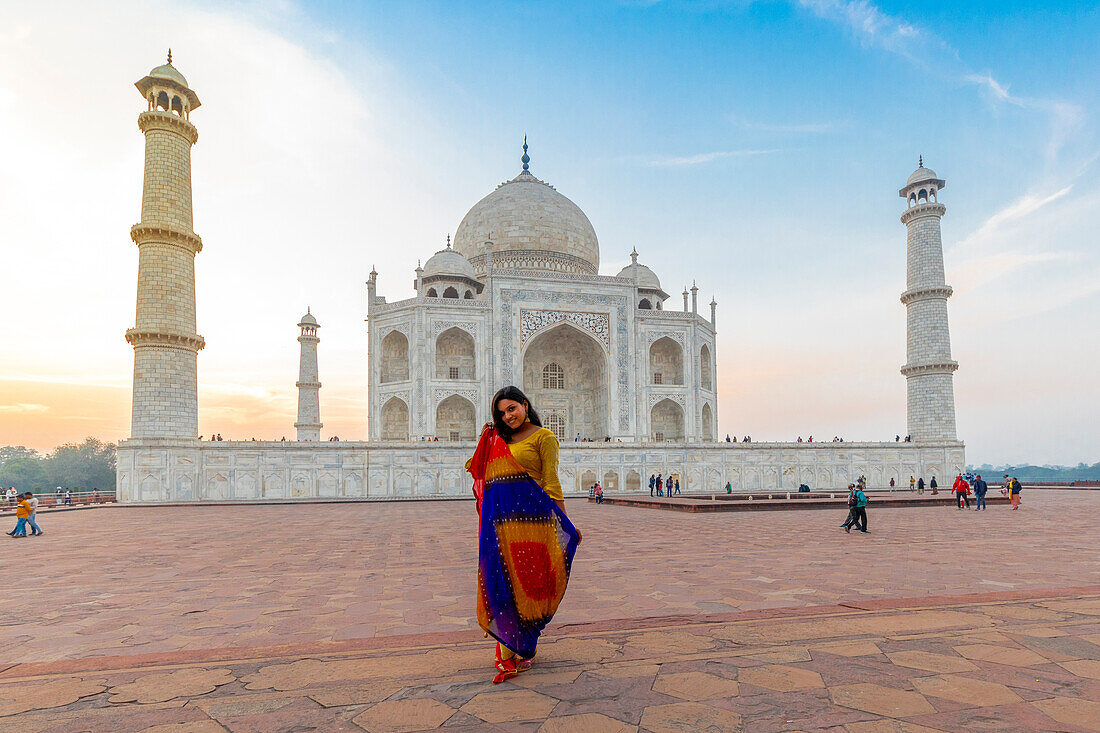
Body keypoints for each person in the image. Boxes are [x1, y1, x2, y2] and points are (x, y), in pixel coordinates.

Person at [465, 386, 580, 684]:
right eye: (502, 412)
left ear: (525, 405)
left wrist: (565, 521)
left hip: (534, 523)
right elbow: (479, 472)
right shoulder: (498, 439)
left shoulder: (544, 437)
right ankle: (511, 648)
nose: (508, 416)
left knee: (531, 585)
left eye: (512, 409)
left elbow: (552, 482)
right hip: (502, 526)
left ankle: (520, 645)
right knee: (503, 584)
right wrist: (486, 439)